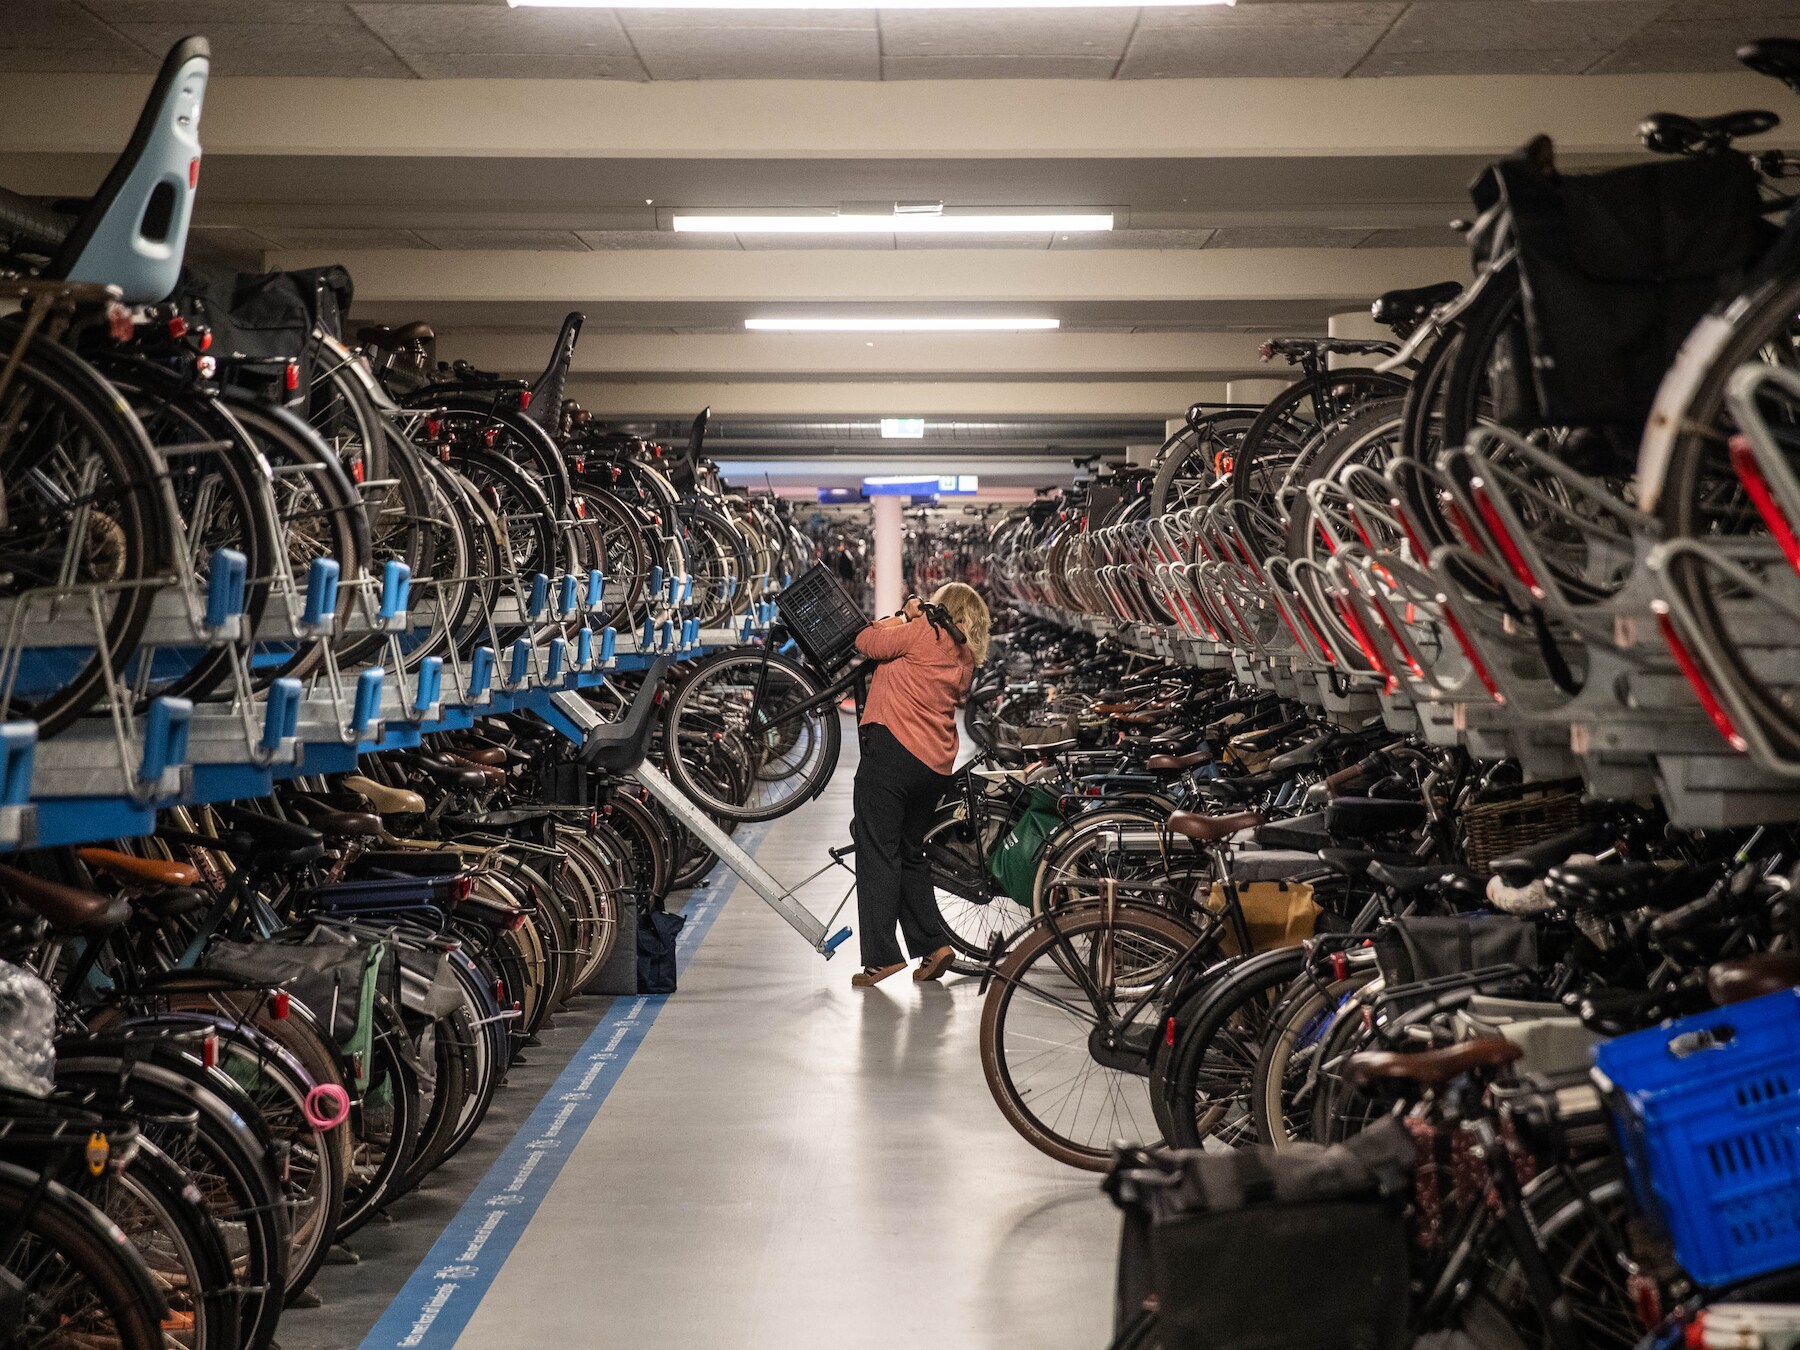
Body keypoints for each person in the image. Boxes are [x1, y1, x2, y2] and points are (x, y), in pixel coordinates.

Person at [847, 581, 991, 988]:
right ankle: (934, 945)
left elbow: (867, 641)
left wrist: (901, 615)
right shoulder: (965, 656)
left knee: (877, 850)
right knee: (909, 852)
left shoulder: (924, 632)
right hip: (934, 767)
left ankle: (880, 958)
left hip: (892, 753)